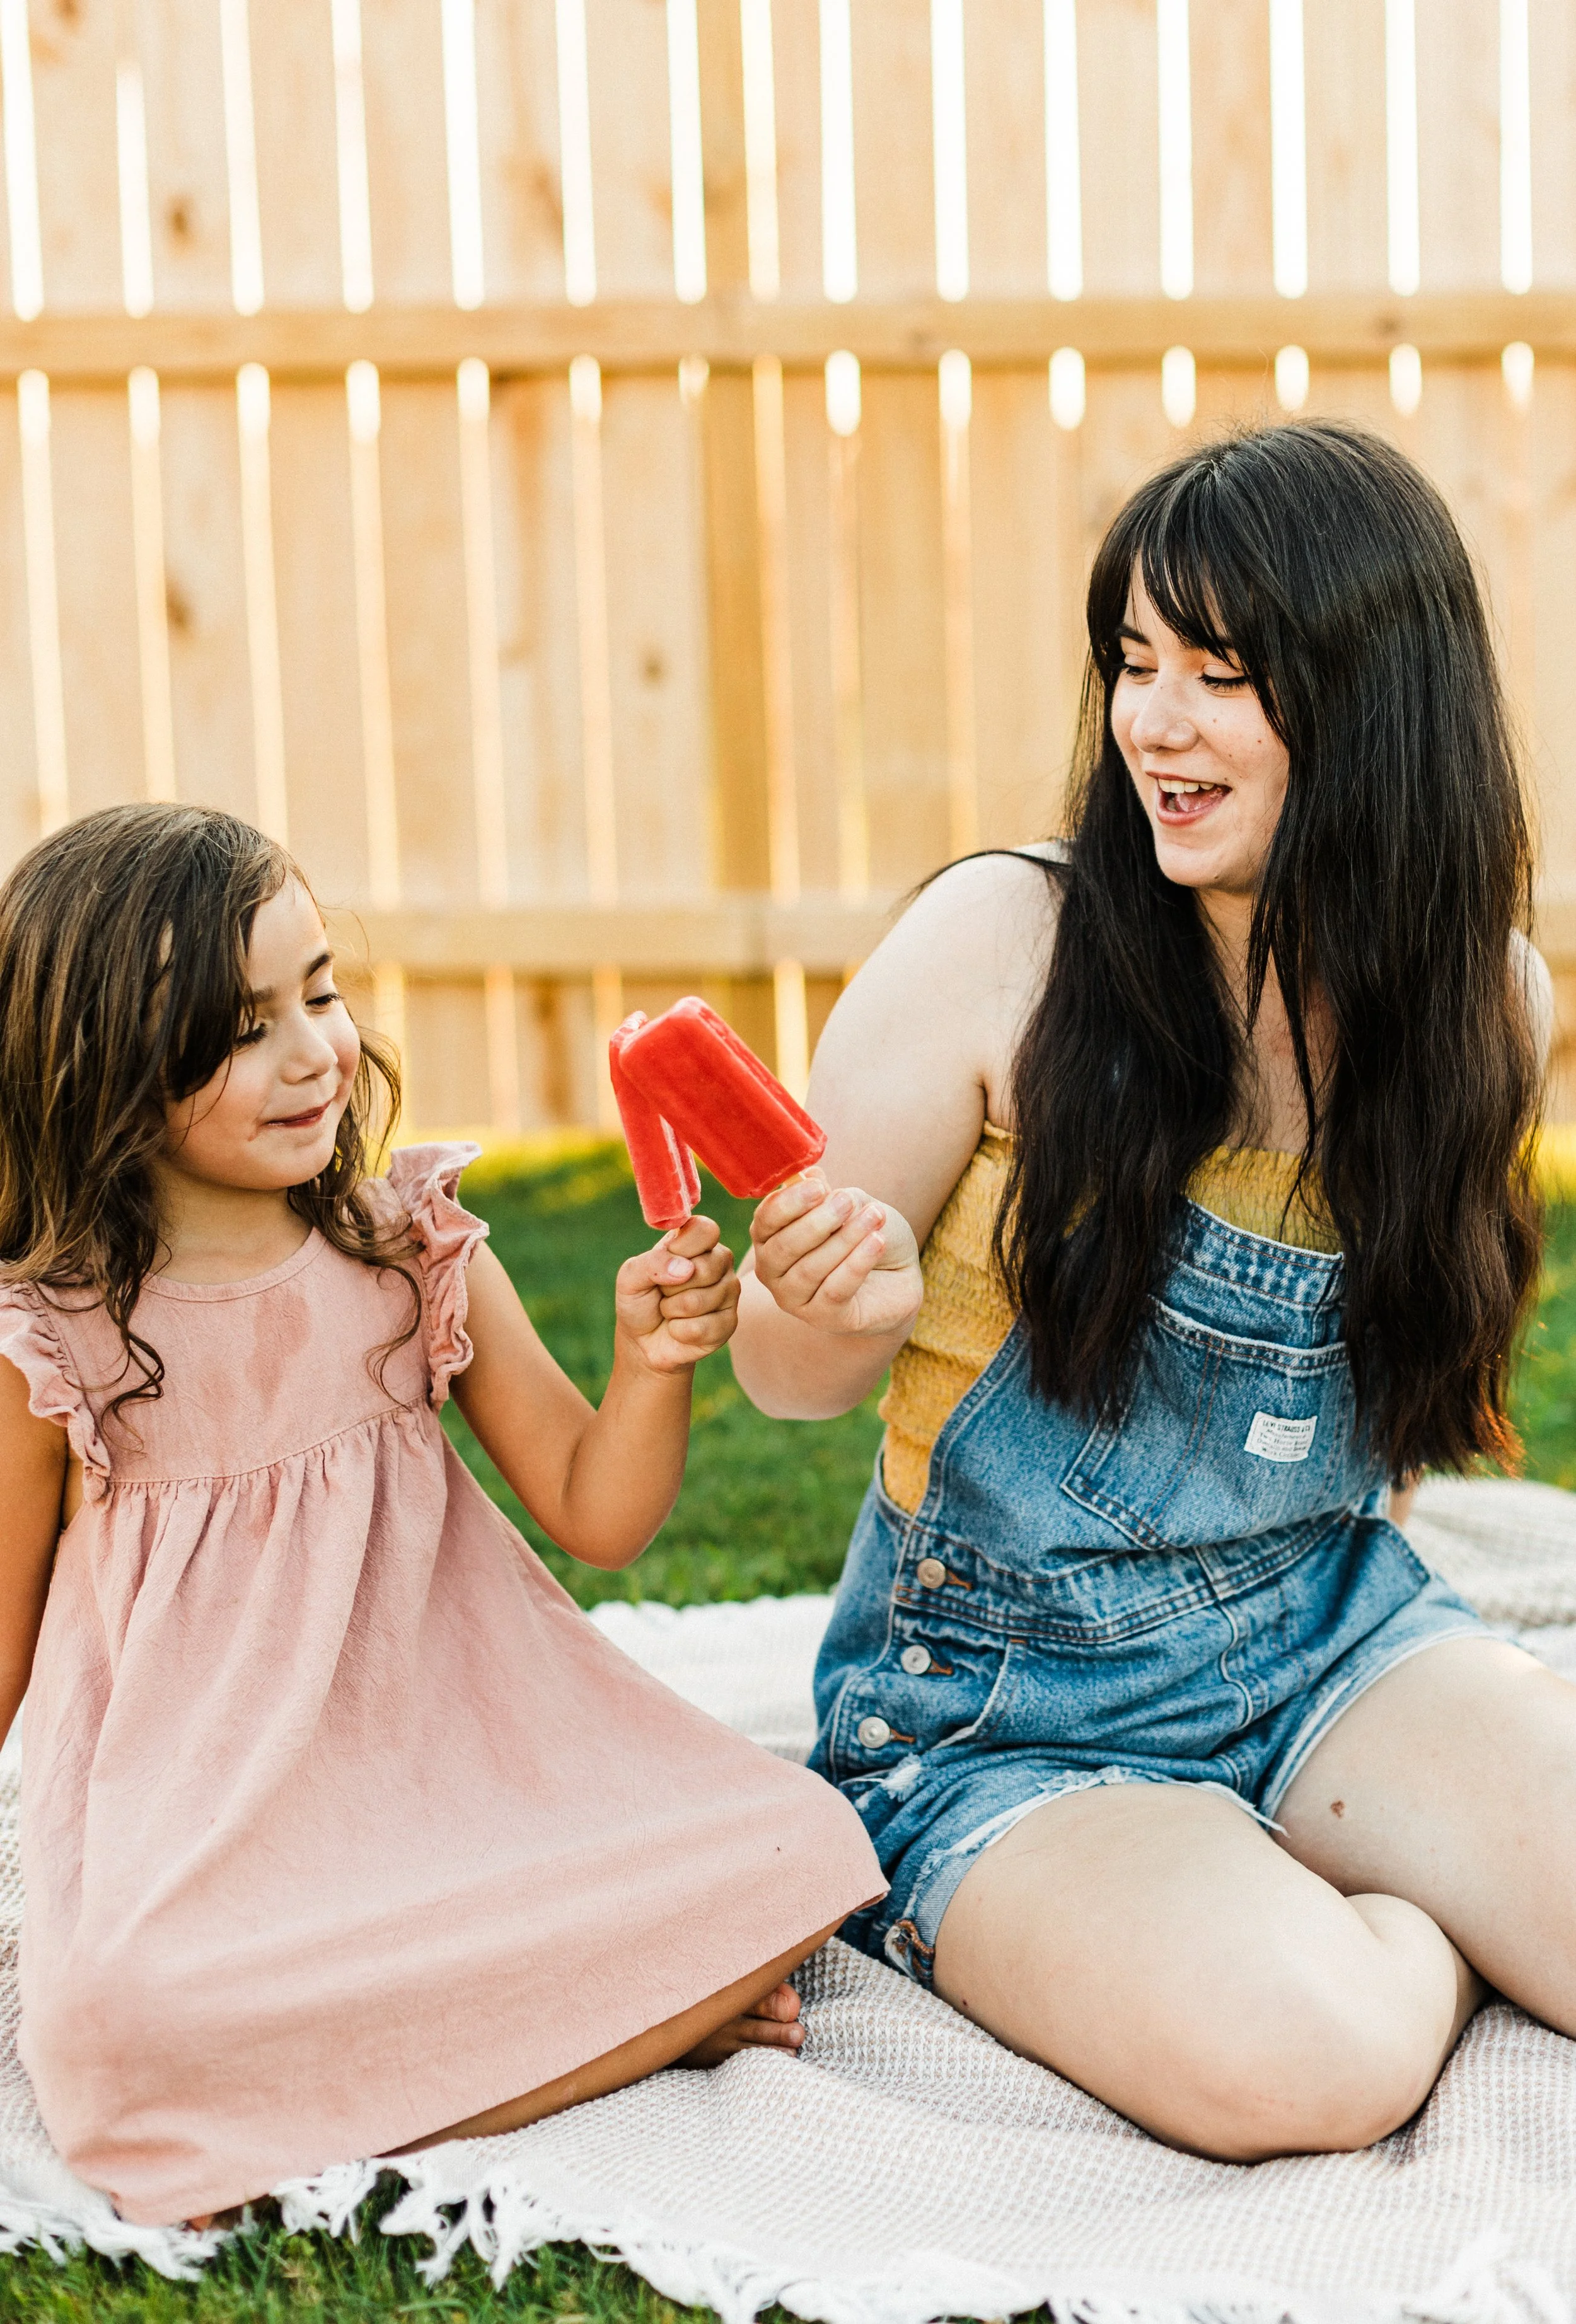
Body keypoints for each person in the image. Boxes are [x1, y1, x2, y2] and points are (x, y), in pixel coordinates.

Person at [731, 419, 1569, 2162]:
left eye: (1218, 675)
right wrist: (837, 1302)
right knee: (1313, 2066)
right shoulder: (995, 950)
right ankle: (1392, 1922)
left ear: (1370, 700)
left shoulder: (1481, 1000)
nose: (1150, 727)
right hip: (1008, 1713)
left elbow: (1388, 1392)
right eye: (1130, 664)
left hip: (1331, 1627)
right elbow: (781, 1380)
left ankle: (1330, 1856)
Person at [0, 804, 881, 2227]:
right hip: (214, 1837)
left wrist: (652, 1361)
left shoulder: (412, 1248)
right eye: (237, 1030)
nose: (312, 1053)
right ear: (101, 1071)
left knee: (800, 1848)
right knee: (115, 2035)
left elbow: (596, 1515)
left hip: (459, 1777)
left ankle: (436, 2063)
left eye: (322, 990)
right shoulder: (56, 1338)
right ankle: (618, 2025)